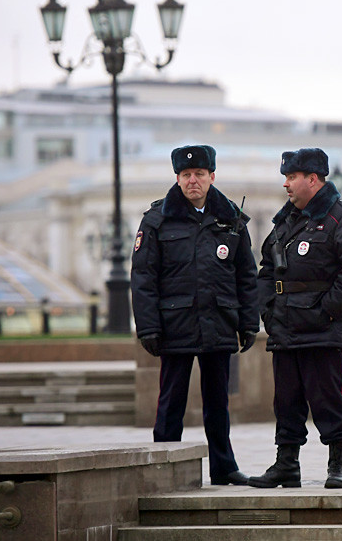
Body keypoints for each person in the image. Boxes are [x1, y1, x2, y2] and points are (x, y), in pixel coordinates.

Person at [249, 147, 342, 489]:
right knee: (286, 402)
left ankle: (338, 465)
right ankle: (286, 464)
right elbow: (265, 267)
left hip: (323, 331)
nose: (286, 185)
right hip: (285, 328)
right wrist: (268, 309)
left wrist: (326, 310)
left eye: (292, 178)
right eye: (285, 178)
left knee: (329, 398)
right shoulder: (286, 220)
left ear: (313, 179)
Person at [130, 144, 259, 486]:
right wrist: (148, 328)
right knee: (171, 401)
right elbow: (142, 278)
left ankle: (224, 467)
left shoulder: (230, 218)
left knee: (218, 403)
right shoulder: (157, 220)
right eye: (186, 175)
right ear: (177, 178)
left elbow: (246, 274)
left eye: (199, 174)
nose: (193, 181)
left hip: (218, 322)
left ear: (212, 176)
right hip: (175, 326)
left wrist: (249, 322)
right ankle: (162, 467)